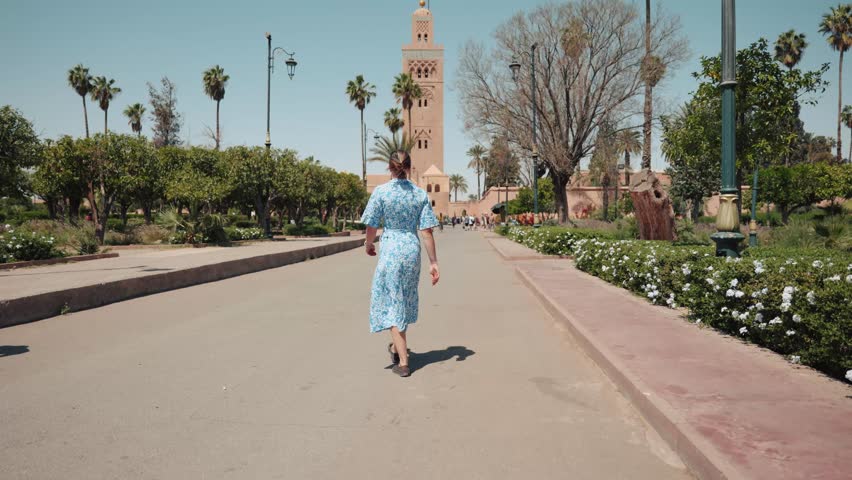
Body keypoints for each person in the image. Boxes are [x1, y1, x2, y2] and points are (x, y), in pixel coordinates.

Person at [362, 150, 440, 378]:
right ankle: (396, 346)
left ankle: (403, 362)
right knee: (402, 298)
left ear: (390, 167)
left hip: (391, 249)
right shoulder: (419, 194)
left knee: (393, 300)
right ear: (408, 166)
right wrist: (433, 262)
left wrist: (368, 244)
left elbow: (372, 225)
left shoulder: (382, 192)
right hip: (411, 249)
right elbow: (426, 231)